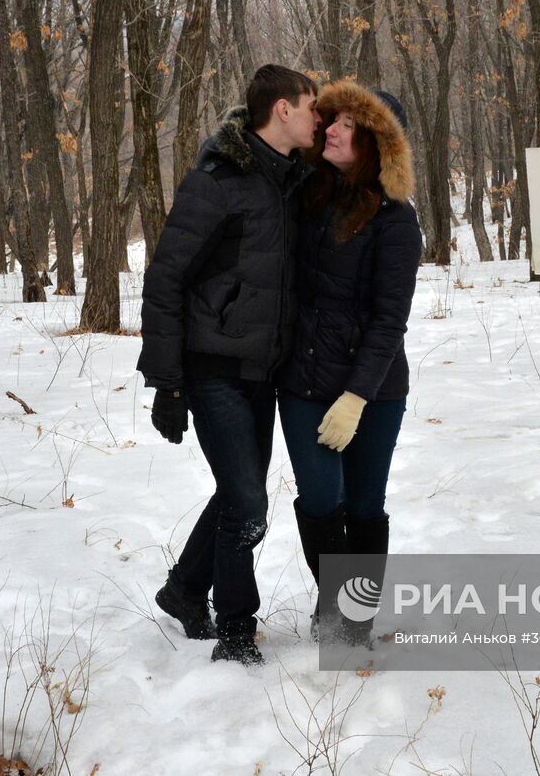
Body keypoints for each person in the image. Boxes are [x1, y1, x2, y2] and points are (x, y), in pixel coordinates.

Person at [137, 64, 321, 665]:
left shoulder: (294, 180)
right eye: (312, 107)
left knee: (238, 495)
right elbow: (165, 279)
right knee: (247, 506)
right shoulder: (217, 181)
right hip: (212, 368)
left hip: (263, 372)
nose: (318, 119)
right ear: (283, 109)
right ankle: (237, 631)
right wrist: (167, 383)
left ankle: (185, 590)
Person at [277, 80, 422, 645]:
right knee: (319, 501)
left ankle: (352, 622)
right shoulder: (305, 192)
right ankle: (336, 603)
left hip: (374, 391)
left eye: (348, 125)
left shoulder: (395, 219)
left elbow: (389, 320)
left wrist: (357, 396)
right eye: (332, 120)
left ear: (375, 145)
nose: (332, 129)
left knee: (364, 506)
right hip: (304, 380)